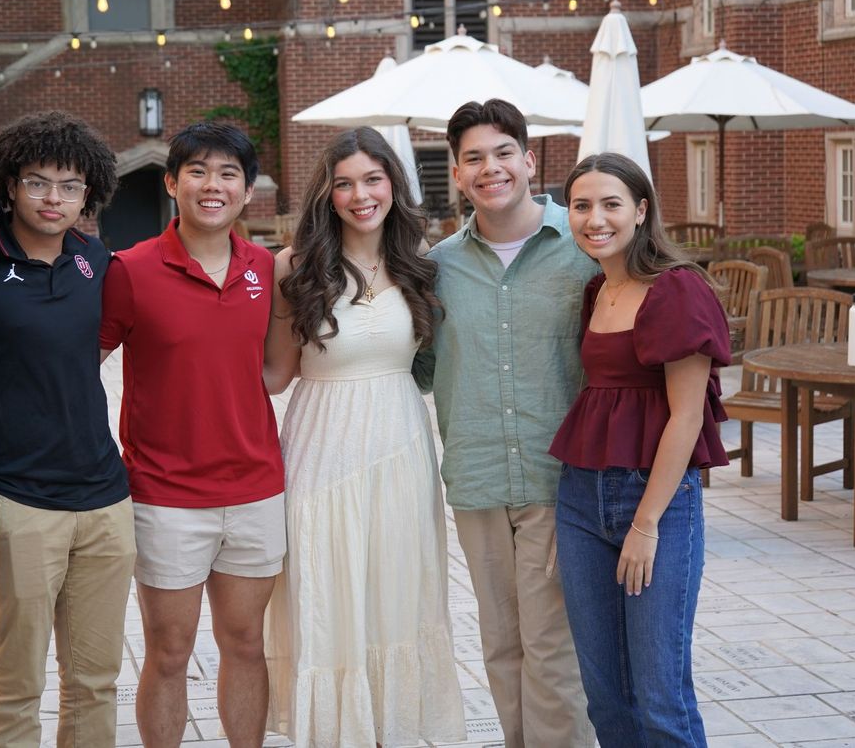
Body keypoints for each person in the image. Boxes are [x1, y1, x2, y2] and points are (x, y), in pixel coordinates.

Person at [262, 128, 466, 747]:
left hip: (402, 448)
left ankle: (391, 732)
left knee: (398, 594)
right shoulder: (294, 267)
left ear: (392, 185)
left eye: (372, 179)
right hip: (321, 450)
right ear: (327, 193)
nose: (359, 195)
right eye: (344, 183)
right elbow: (274, 375)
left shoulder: (420, 264)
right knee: (328, 596)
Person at [412, 98, 595, 748]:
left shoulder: (583, 250)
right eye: (474, 159)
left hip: (559, 477)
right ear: (457, 175)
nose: (491, 169)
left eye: (502, 153)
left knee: (553, 644)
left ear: (529, 159)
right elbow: (421, 368)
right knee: (501, 641)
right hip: (478, 473)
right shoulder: (439, 267)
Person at [98, 122, 284, 748]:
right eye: (198, 172)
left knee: (247, 643)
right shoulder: (130, 270)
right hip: (165, 497)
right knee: (170, 651)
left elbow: (280, 369)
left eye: (229, 173)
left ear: (247, 190)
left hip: (256, 491)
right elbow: (73, 365)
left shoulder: (266, 268)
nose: (214, 185)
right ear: (172, 183)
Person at [549, 153, 728, 747]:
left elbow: (686, 414)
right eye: (581, 206)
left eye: (610, 204)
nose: (594, 218)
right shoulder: (598, 289)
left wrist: (646, 523)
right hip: (580, 498)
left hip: (655, 501)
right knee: (605, 696)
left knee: (659, 699)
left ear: (641, 210)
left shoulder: (677, 289)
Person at [0, 112, 135, 748]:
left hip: (104, 494)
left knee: (96, 679)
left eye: (69, 186)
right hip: (17, 496)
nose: (52, 198)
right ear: (11, 184)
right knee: (15, 682)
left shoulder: (95, 259)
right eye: (38, 182)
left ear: (87, 195)